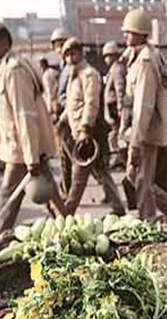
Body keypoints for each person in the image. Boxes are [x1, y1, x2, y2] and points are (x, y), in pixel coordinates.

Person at [0, 21, 64, 236]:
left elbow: (24, 115)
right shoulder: (6, 68)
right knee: (48, 194)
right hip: (21, 148)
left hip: (22, 149)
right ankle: (68, 225)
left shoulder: (14, 71)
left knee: (9, 195)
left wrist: (30, 157)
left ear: (3, 42)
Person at [121, 8, 167, 218]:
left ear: (139, 32)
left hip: (145, 132)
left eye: (129, 32)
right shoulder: (136, 58)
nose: (125, 35)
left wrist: (135, 141)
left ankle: (148, 224)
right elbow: (129, 100)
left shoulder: (146, 61)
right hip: (138, 131)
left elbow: (143, 106)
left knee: (143, 181)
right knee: (139, 178)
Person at [58, 38, 125, 215]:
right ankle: (118, 208)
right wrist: (61, 120)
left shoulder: (89, 74)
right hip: (78, 132)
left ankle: (67, 212)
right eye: (67, 55)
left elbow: (91, 102)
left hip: (89, 133)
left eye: (73, 53)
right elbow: (72, 106)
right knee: (102, 173)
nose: (70, 58)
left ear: (81, 53)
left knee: (79, 176)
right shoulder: (75, 76)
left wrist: (85, 128)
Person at [50, 28, 73, 197]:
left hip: (69, 117)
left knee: (73, 158)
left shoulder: (71, 67)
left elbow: (73, 96)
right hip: (63, 115)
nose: (60, 47)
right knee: (65, 158)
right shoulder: (63, 66)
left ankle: (67, 192)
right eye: (58, 45)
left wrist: (60, 106)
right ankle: (66, 190)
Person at [102, 41, 127, 170]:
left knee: (115, 134)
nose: (106, 59)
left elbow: (119, 88)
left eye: (108, 56)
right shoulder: (113, 69)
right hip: (111, 106)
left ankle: (120, 158)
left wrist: (120, 106)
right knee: (115, 133)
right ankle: (119, 157)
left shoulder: (117, 69)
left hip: (115, 106)